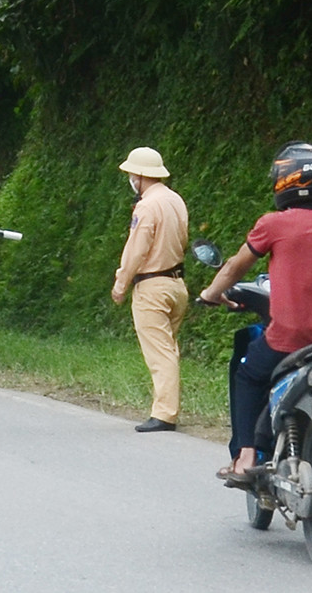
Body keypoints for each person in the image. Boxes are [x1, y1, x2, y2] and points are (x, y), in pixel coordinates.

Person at [199, 141, 312, 482]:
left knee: (248, 375)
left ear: (285, 181)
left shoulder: (273, 224)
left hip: (288, 342)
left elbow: (236, 266)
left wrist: (212, 293)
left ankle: (246, 456)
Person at [111, 147, 189, 433]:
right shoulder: (175, 200)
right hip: (177, 284)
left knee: (160, 354)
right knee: (169, 349)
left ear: (141, 175)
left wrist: (121, 283)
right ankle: (166, 404)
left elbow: (137, 249)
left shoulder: (146, 206)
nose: (130, 178)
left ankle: (165, 414)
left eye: (132, 173)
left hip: (152, 287)